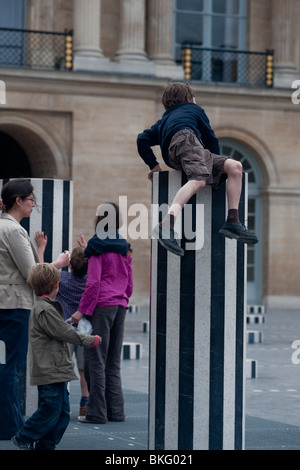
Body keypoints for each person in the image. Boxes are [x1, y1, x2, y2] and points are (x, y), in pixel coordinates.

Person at [137, 81, 258, 256]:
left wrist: (154, 166)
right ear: (188, 99)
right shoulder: (194, 109)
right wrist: (213, 165)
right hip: (187, 140)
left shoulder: (163, 121)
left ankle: (233, 220)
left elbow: (142, 140)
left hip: (180, 152)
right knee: (198, 180)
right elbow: (210, 138)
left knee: (235, 167)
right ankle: (166, 224)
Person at [0, 178, 69, 440]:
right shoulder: (14, 230)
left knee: (4, 365)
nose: (34, 205)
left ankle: (9, 421)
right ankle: (10, 425)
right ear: (18, 200)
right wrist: (59, 264)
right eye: (31, 200)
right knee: (12, 367)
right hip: (14, 305)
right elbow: (32, 273)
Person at [11, 263, 102, 450]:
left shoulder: (47, 307)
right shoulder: (44, 309)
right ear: (56, 286)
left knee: (62, 413)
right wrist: (88, 340)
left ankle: (46, 444)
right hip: (50, 369)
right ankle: (24, 436)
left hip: (58, 369)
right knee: (50, 409)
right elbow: (64, 332)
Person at [71, 202, 133, 424]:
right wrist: (122, 298)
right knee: (113, 362)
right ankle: (116, 412)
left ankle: (96, 412)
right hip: (120, 305)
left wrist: (81, 311)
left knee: (95, 360)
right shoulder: (124, 245)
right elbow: (130, 284)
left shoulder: (96, 246)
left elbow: (93, 283)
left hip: (102, 306)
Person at [55, 245, 89, 417]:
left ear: (70, 265)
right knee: (83, 369)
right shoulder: (90, 282)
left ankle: (63, 401)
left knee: (64, 368)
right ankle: (85, 403)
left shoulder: (63, 279)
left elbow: (42, 271)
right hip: (85, 331)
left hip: (66, 328)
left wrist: (42, 250)